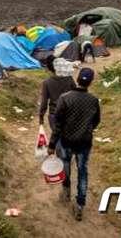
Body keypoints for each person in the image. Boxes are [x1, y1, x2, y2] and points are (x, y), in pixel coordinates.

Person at [48, 67, 100, 221]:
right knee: (82, 171)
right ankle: (80, 205)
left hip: (66, 140)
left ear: (77, 79)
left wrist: (51, 145)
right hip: (84, 142)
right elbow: (96, 121)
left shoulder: (65, 98)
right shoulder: (93, 100)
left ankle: (66, 192)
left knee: (66, 166)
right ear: (90, 82)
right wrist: (86, 129)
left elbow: (57, 124)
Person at [38, 56, 76, 132]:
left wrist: (41, 117)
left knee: (57, 136)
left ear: (49, 68)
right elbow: (76, 95)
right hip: (68, 113)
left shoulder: (47, 82)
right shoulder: (69, 79)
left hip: (54, 115)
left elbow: (44, 103)